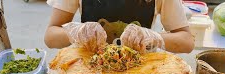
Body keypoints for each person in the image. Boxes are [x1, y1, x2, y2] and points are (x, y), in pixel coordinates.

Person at [44, 0, 194, 53]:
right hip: (88, 69)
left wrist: (154, 37)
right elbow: (50, 37)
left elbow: (187, 41)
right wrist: (76, 33)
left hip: (140, 72)